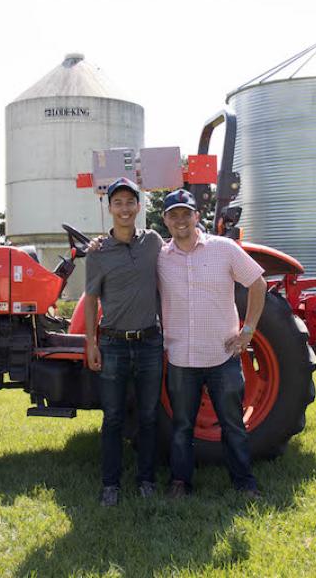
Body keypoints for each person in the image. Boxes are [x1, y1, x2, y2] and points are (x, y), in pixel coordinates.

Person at [157, 189, 267, 499]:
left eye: (185, 213)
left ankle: (244, 482)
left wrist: (248, 329)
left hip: (222, 356)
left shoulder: (224, 249)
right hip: (181, 358)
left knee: (233, 424)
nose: (180, 220)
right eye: (173, 215)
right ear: (165, 220)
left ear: (196, 216)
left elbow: (258, 283)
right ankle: (180, 482)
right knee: (181, 427)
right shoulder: (161, 258)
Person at [83, 177, 165, 507]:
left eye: (130, 202)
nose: (125, 208)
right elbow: (90, 300)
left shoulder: (154, 242)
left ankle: (146, 480)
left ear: (139, 206)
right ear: (110, 209)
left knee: (148, 415)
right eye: (118, 203)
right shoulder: (98, 252)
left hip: (149, 343)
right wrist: (91, 343)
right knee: (113, 417)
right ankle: (110, 485)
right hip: (114, 344)